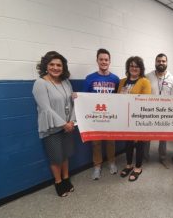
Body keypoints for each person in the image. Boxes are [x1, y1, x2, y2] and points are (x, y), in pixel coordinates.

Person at [32, 51, 75, 197]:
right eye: (52, 64)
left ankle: (66, 178)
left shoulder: (66, 82)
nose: (55, 68)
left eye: (59, 65)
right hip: (52, 128)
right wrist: (64, 124)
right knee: (56, 157)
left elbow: (72, 103)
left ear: (63, 67)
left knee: (65, 155)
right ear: (46, 65)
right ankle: (58, 182)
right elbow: (46, 108)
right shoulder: (40, 83)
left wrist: (72, 121)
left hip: (68, 126)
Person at [83, 48, 120, 180]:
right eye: (101, 59)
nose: (104, 62)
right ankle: (97, 166)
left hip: (110, 117)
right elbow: (84, 98)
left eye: (106, 60)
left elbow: (119, 98)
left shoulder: (116, 79)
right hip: (96, 117)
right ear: (97, 61)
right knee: (96, 143)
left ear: (109, 61)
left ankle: (112, 162)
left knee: (111, 142)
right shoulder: (89, 78)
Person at [118, 56, 151, 181]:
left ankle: (138, 167)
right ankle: (128, 164)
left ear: (140, 68)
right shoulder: (122, 82)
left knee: (139, 143)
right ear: (128, 67)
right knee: (128, 142)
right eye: (131, 66)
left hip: (139, 118)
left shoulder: (144, 81)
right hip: (125, 118)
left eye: (136, 66)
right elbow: (118, 98)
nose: (134, 68)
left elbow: (145, 101)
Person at [144, 53, 173, 168]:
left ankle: (162, 157)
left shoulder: (172, 79)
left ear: (166, 63)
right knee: (147, 136)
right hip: (149, 111)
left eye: (163, 61)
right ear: (155, 62)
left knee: (163, 137)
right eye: (159, 61)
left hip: (164, 112)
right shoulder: (147, 77)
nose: (161, 63)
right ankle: (145, 156)